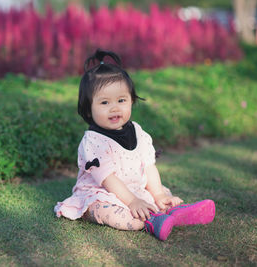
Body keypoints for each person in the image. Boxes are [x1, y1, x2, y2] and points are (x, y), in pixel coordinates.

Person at [54, 49, 215, 241]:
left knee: (159, 196)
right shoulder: (93, 141)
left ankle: (173, 211)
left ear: (131, 100)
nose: (114, 107)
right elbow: (108, 179)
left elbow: (149, 166)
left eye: (121, 100)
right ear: (88, 108)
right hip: (103, 193)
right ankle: (151, 221)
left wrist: (157, 194)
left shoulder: (138, 132)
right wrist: (132, 202)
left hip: (135, 191)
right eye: (104, 102)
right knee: (108, 212)